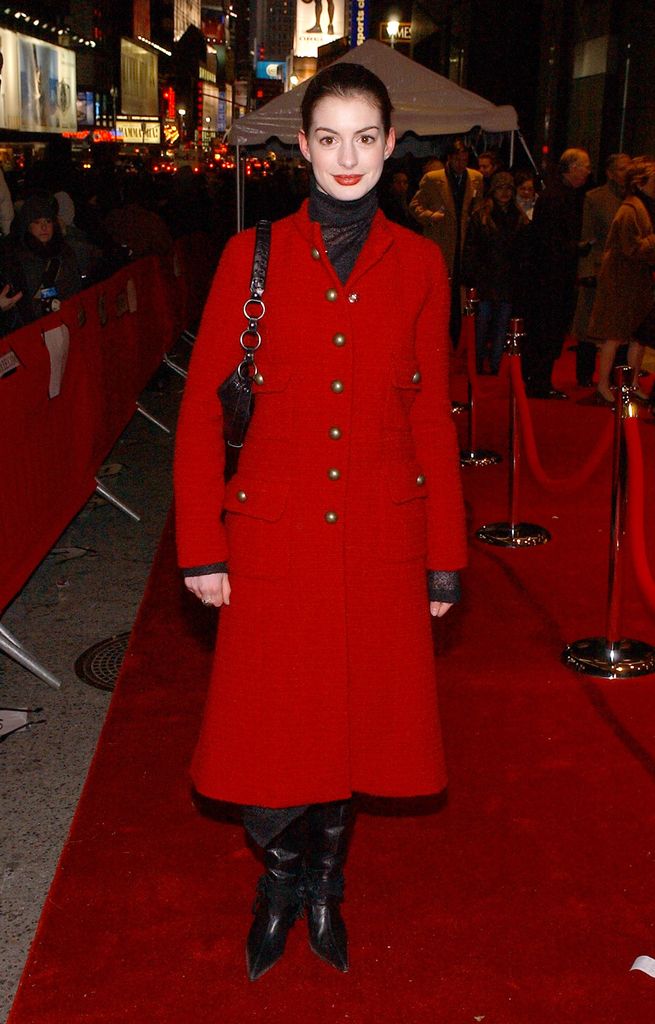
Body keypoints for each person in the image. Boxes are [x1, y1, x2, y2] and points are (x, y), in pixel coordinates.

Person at [174, 62, 466, 982]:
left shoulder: (420, 264)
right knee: (274, 732)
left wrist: (444, 559)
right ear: (301, 146)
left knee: (354, 732)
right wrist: (200, 550)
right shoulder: (247, 256)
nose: (347, 158)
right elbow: (199, 416)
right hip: (272, 541)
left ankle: (327, 885)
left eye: (365, 139)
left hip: (382, 539)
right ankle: (280, 878)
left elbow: (430, 419)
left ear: (390, 146)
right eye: (328, 138)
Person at [523, 147, 592, 398]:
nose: (588, 171)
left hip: (555, 277)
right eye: (585, 166)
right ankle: (537, 382)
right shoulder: (555, 197)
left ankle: (539, 380)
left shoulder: (569, 196)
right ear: (572, 168)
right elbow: (548, 241)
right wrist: (577, 247)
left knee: (550, 331)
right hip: (548, 279)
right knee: (545, 330)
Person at [588, 155, 655, 405]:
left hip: (636, 282)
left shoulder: (643, 206)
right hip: (621, 281)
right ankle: (603, 384)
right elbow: (631, 247)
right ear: (641, 182)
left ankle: (631, 381)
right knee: (614, 336)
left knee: (639, 337)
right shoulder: (631, 208)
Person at [409, 139, 483, 345]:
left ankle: (459, 337)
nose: (461, 163)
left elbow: (480, 207)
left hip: (466, 243)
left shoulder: (476, 178)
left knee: (462, 292)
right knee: (441, 291)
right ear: (449, 159)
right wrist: (431, 217)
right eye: (457, 159)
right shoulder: (433, 179)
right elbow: (414, 206)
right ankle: (440, 335)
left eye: (465, 160)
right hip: (441, 241)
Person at [463, 171, 532, 374]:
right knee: (482, 325)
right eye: (500, 188)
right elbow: (471, 248)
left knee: (502, 326)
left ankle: (494, 365)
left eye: (508, 189)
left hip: (507, 280)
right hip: (485, 279)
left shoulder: (519, 218)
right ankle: (477, 363)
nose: (504, 193)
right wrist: (472, 276)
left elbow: (523, 252)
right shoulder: (481, 216)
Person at [571, 152, 630, 387]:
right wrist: (587, 272)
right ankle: (585, 375)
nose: (627, 173)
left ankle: (618, 376)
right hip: (598, 269)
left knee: (621, 326)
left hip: (625, 271)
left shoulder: (633, 198)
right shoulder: (595, 198)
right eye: (623, 169)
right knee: (588, 324)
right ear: (610, 173)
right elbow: (587, 236)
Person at [6, 191, 82, 323]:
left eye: (48, 221)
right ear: (27, 227)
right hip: (35, 326)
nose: (44, 227)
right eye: (36, 222)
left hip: (66, 318)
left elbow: (75, 287)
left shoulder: (65, 253)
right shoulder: (18, 259)